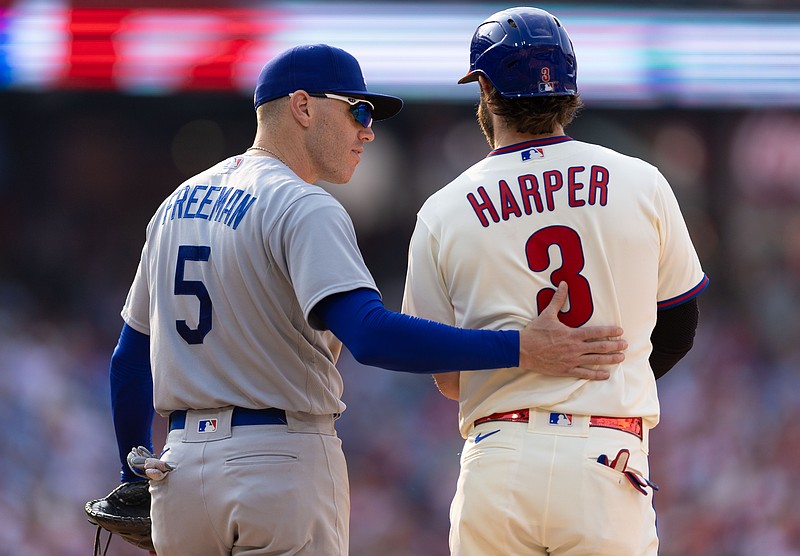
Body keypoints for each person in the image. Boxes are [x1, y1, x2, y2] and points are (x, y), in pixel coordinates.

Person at [107, 43, 630, 556]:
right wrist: (520, 348)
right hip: (274, 466)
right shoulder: (302, 204)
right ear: (304, 106)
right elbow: (371, 335)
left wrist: (133, 473)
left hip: (178, 473)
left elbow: (130, 358)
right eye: (357, 110)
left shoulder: (177, 204)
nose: (368, 129)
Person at [402, 8, 708, 556]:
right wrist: (598, 373)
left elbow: (446, 376)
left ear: (486, 89)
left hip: (498, 458)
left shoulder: (444, 209)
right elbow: (680, 329)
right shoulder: (642, 181)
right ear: (569, 88)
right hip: (607, 456)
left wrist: (523, 362)